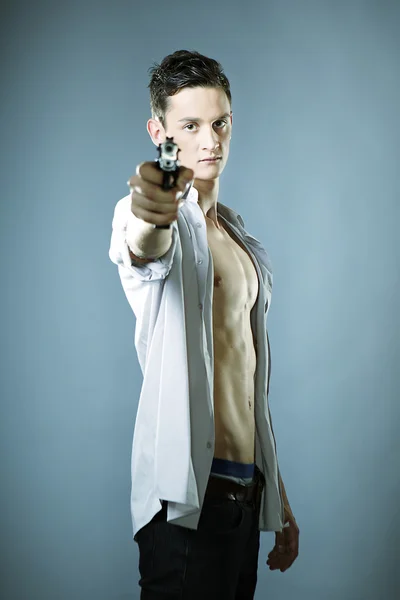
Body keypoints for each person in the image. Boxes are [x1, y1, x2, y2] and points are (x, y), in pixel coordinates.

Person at [109, 49, 299, 600]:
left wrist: (277, 498)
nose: (209, 140)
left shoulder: (241, 244)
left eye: (219, 123)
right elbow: (144, 249)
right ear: (159, 131)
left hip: (245, 496)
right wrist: (154, 208)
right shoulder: (143, 211)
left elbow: (248, 387)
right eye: (189, 126)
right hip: (186, 505)